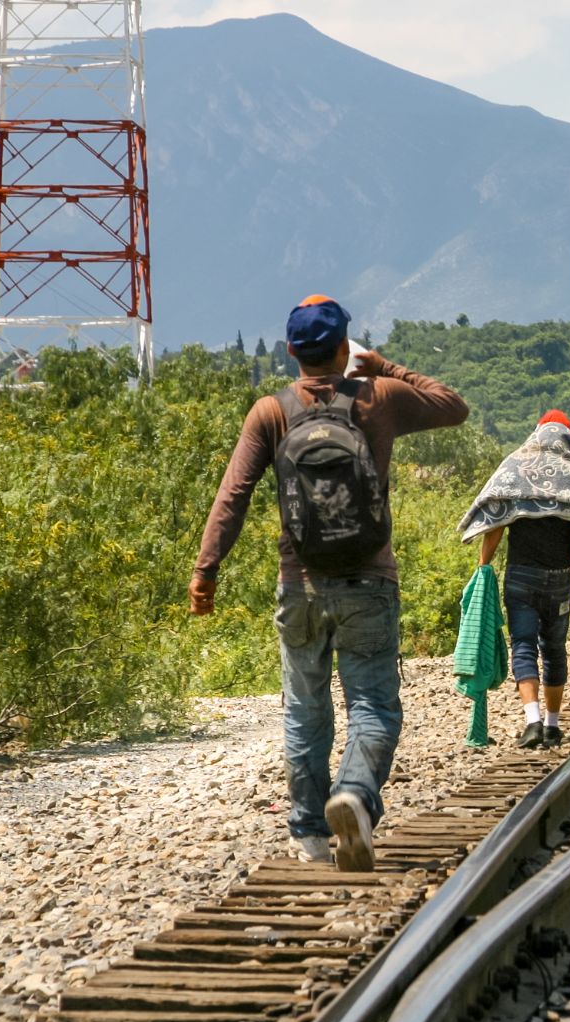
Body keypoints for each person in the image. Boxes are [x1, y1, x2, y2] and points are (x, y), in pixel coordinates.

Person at [190, 295, 469, 870]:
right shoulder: (379, 398)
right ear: (345, 347)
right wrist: (385, 367)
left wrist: (205, 571)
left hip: (300, 583)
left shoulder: (270, 412)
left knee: (305, 709)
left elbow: (233, 496)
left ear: (292, 351)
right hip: (369, 579)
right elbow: (453, 405)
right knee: (372, 704)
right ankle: (356, 795)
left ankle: (311, 834)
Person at [458, 410, 570, 748]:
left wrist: (483, 568)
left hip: (520, 578)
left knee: (524, 645)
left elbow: (496, 522)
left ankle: (532, 721)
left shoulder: (516, 468)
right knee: (554, 649)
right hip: (558, 581)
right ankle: (553, 726)